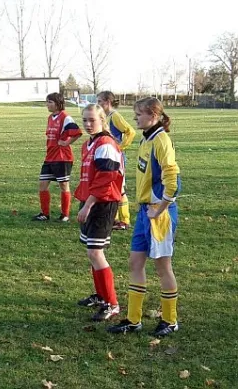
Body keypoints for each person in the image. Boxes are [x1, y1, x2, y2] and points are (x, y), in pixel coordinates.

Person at [108, 97, 181, 337]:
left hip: (159, 215)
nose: (134, 118)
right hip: (143, 212)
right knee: (135, 263)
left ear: (154, 115)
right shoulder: (146, 138)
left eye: (138, 114)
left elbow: (173, 181)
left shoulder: (161, 140)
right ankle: (133, 320)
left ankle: (170, 320)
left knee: (163, 268)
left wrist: (159, 209)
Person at [75, 104, 124, 321]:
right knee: (91, 251)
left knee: (96, 252)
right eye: (84, 120)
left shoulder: (106, 144)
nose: (87, 124)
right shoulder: (89, 143)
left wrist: (88, 205)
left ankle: (112, 304)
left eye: (92, 120)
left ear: (103, 120)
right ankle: (101, 295)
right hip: (90, 200)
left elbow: (106, 179)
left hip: (102, 203)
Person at [32, 92, 82, 222]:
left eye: (50, 102)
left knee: (64, 185)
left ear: (58, 103)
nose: (47, 105)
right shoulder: (50, 118)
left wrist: (66, 143)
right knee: (42, 184)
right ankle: (45, 214)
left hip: (62, 158)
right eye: (47, 102)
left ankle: (64, 215)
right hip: (49, 157)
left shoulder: (65, 117)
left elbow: (77, 132)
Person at [97, 91, 136, 230]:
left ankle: (125, 221)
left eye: (100, 101)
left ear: (108, 102)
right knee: (111, 187)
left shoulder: (115, 116)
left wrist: (121, 147)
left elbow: (130, 131)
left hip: (117, 157)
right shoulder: (104, 116)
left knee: (120, 189)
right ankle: (114, 218)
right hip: (109, 156)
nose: (98, 104)